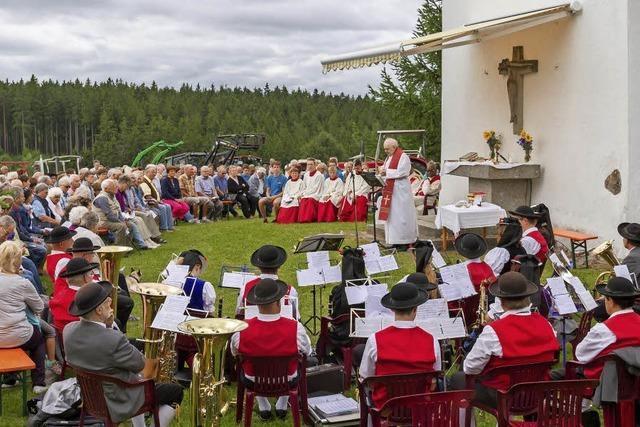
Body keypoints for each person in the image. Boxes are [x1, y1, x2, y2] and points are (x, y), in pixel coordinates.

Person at [63, 282, 183, 426]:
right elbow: (140, 364)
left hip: (90, 398)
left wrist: (108, 326)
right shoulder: (113, 339)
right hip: (117, 400)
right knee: (175, 392)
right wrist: (111, 328)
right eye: (106, 300)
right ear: (99, 310)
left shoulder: (68, 331)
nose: (110, 300)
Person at [453, 272, 558, 409]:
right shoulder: (547, 325)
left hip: (503, 396)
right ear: (528, 298)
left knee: (457, 379)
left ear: (501, 301)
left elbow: (470, 368)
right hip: (537, 393)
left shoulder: (493, 331)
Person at [230, 278, 311, 421]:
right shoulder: (296, 328)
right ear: (279, 302)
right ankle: (282, 403)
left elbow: (234, 353)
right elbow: (307, 351)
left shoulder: (241, 329)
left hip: (252, 380)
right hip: (288, 379)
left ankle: (265, 405)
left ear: (256, 304)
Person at [359, 282, 441, 408]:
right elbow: (434, 380)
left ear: (392, 309)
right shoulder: (431, 340)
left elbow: (366, 377)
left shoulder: (375, 340)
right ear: (415, 309)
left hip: (386, 409)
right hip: (420, 408)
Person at [0, 240, 47, 394]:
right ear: (18, 261)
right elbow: (39, 307)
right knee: (39, 339)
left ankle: (10, 378)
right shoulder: (23, 283)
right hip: (19, 334)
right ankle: (38, 382)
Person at [575, 277, 640, 379]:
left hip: (604, 385)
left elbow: (581, 355)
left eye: (605, 298)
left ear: (610, 301)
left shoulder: (604, 330)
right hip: (635, 385)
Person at [67, 237, 135, 333]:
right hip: (89, 300)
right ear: (85, 255)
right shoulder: (74, 268)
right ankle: (120, 333)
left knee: (120, 283)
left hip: (90, 294)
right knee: (126, 303)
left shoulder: (76, 266)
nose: (94, 256)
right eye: (92, 253)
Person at [236, 245, 298, 317]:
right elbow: (295, 318)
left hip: (252, 327)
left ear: (258, 266)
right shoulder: (290, 291)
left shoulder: (246, 288)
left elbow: (239, 314)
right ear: (279, 266)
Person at [378, 138, 418, 246]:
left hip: (400, 191)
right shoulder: (388, 158)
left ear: (394, 147)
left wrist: (386, 172)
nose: (385, 151)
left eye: (387, 149)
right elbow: (387, 171)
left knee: (401, 216)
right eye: (384, 149)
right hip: (390, 191)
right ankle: (393, 240)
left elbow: (402, 172)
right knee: (392, 216)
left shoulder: (403, 157)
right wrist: (382, 172)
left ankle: (404, 240)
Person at [93, 179, 150, 249]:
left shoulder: (112, 195)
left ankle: (127, 246)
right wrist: (121, 222)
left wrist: (123, 220)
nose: (115, 187)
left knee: (131, 225)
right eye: (113, 186)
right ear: (106, 189)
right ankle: (119, 248)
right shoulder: (102, 198)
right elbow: (109, 215)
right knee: (121, 226)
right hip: (103, 222)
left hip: (111, 220)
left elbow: (118, 211)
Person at [454, 233, 496, 326]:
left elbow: (455, 296)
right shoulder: (487, 268)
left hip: (465, 313)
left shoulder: (462, 270)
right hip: (486, 313)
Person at [49, 257, 98, 331]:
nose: (92, 277)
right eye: (91, 274)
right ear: (85, 278)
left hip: (63, 337)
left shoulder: (58, 296)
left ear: (67, 279)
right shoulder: (87, 299)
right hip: (85, 336)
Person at [140, 164, 174, 232]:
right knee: (163, 207)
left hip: (155, 201)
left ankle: (170, 226)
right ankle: (163, 227)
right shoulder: (144, 182)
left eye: (155, 172)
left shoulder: (150, 181)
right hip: (149, 203)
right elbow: (147, 196)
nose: (154, 174)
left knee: (167, 206)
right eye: (152, 172)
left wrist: (160, 200)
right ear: (146, 172)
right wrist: (157, 202)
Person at [298, 159, 324, 223]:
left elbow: (316, 188)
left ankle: (309, 218)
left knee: (310, 200)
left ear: (315, 165)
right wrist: (302, 194)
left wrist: (306, 193)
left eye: (311, 164)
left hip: (316, 194)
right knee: (303, 199)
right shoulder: (306, 175)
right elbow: (304, 186)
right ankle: (302, 219)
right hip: (307, 193)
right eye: (308, 164)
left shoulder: (319, 175)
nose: (309, 166)